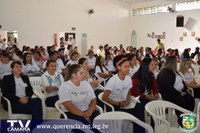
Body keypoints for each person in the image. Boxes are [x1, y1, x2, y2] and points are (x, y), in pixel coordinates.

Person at [102, 55, 145, 133]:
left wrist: (128, 100)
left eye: (128, 66)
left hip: (124, 103)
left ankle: (139, 131)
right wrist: (118, 103)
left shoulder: (128, 78)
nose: (128, 69)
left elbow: (128, 91)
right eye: (125, 67)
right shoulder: (113, 81)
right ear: (119, 67)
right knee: (131, 114)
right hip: (114, 105)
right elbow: (104, 97)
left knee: (140, 107)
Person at [157, 56, 194, 124]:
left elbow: (182, 81)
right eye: (176, 61)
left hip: (178, 93)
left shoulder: (174, 71)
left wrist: (186, 90)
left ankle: (187, 119)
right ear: (172, 63)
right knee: (183, 103)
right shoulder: (165, 72)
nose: (177, 63)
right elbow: (167, 87)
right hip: (170, 95)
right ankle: (183, 121)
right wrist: (179, 93)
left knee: (190, 99)